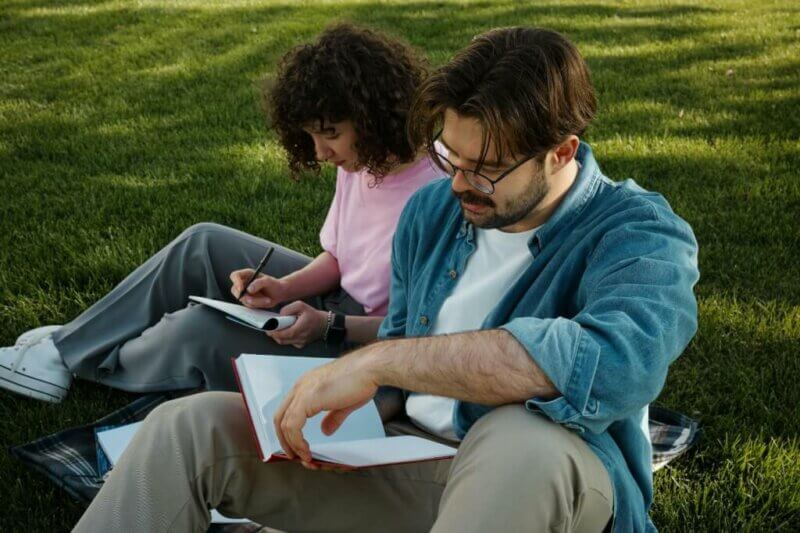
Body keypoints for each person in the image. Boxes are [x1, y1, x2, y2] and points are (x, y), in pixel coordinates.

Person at [74, 27, 699, 532]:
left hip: (553, 484)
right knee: (187, 429)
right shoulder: (433, 212)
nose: (457, 184)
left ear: (561, 151)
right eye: (449, 157)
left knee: (519, 436)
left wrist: (378, 361)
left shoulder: (641, 236)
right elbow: (401, 360)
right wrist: (346, 417)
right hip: (411, 463)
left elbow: (610, 363)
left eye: (484, 170)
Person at [0, 24, 437, 404]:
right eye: (311, 136)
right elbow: (339, 260)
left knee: (198, 330)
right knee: (202, 242)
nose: (320, 153)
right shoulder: (364, 163)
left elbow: (423, 328)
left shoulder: (436, 193)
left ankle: (84, 359)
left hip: (366, 348)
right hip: (333, 308)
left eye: (330, 135)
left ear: (373, 117)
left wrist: (328, 326)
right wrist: (282, 287)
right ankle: (65, 349)